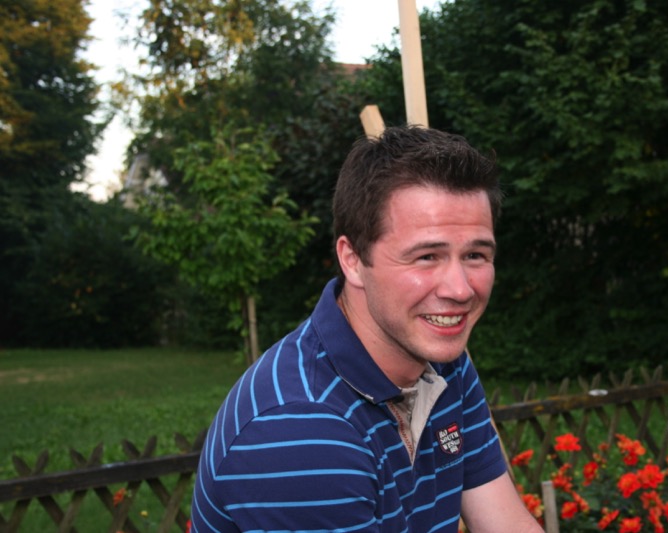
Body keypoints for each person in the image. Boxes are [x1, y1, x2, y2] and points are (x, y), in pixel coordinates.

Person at [190, 125, 545, 533]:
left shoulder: (444, 363)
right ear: (353, 260)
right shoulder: (301, 430)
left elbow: (505, 523)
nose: (460, 289)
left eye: (476, 255)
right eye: (427, 256)